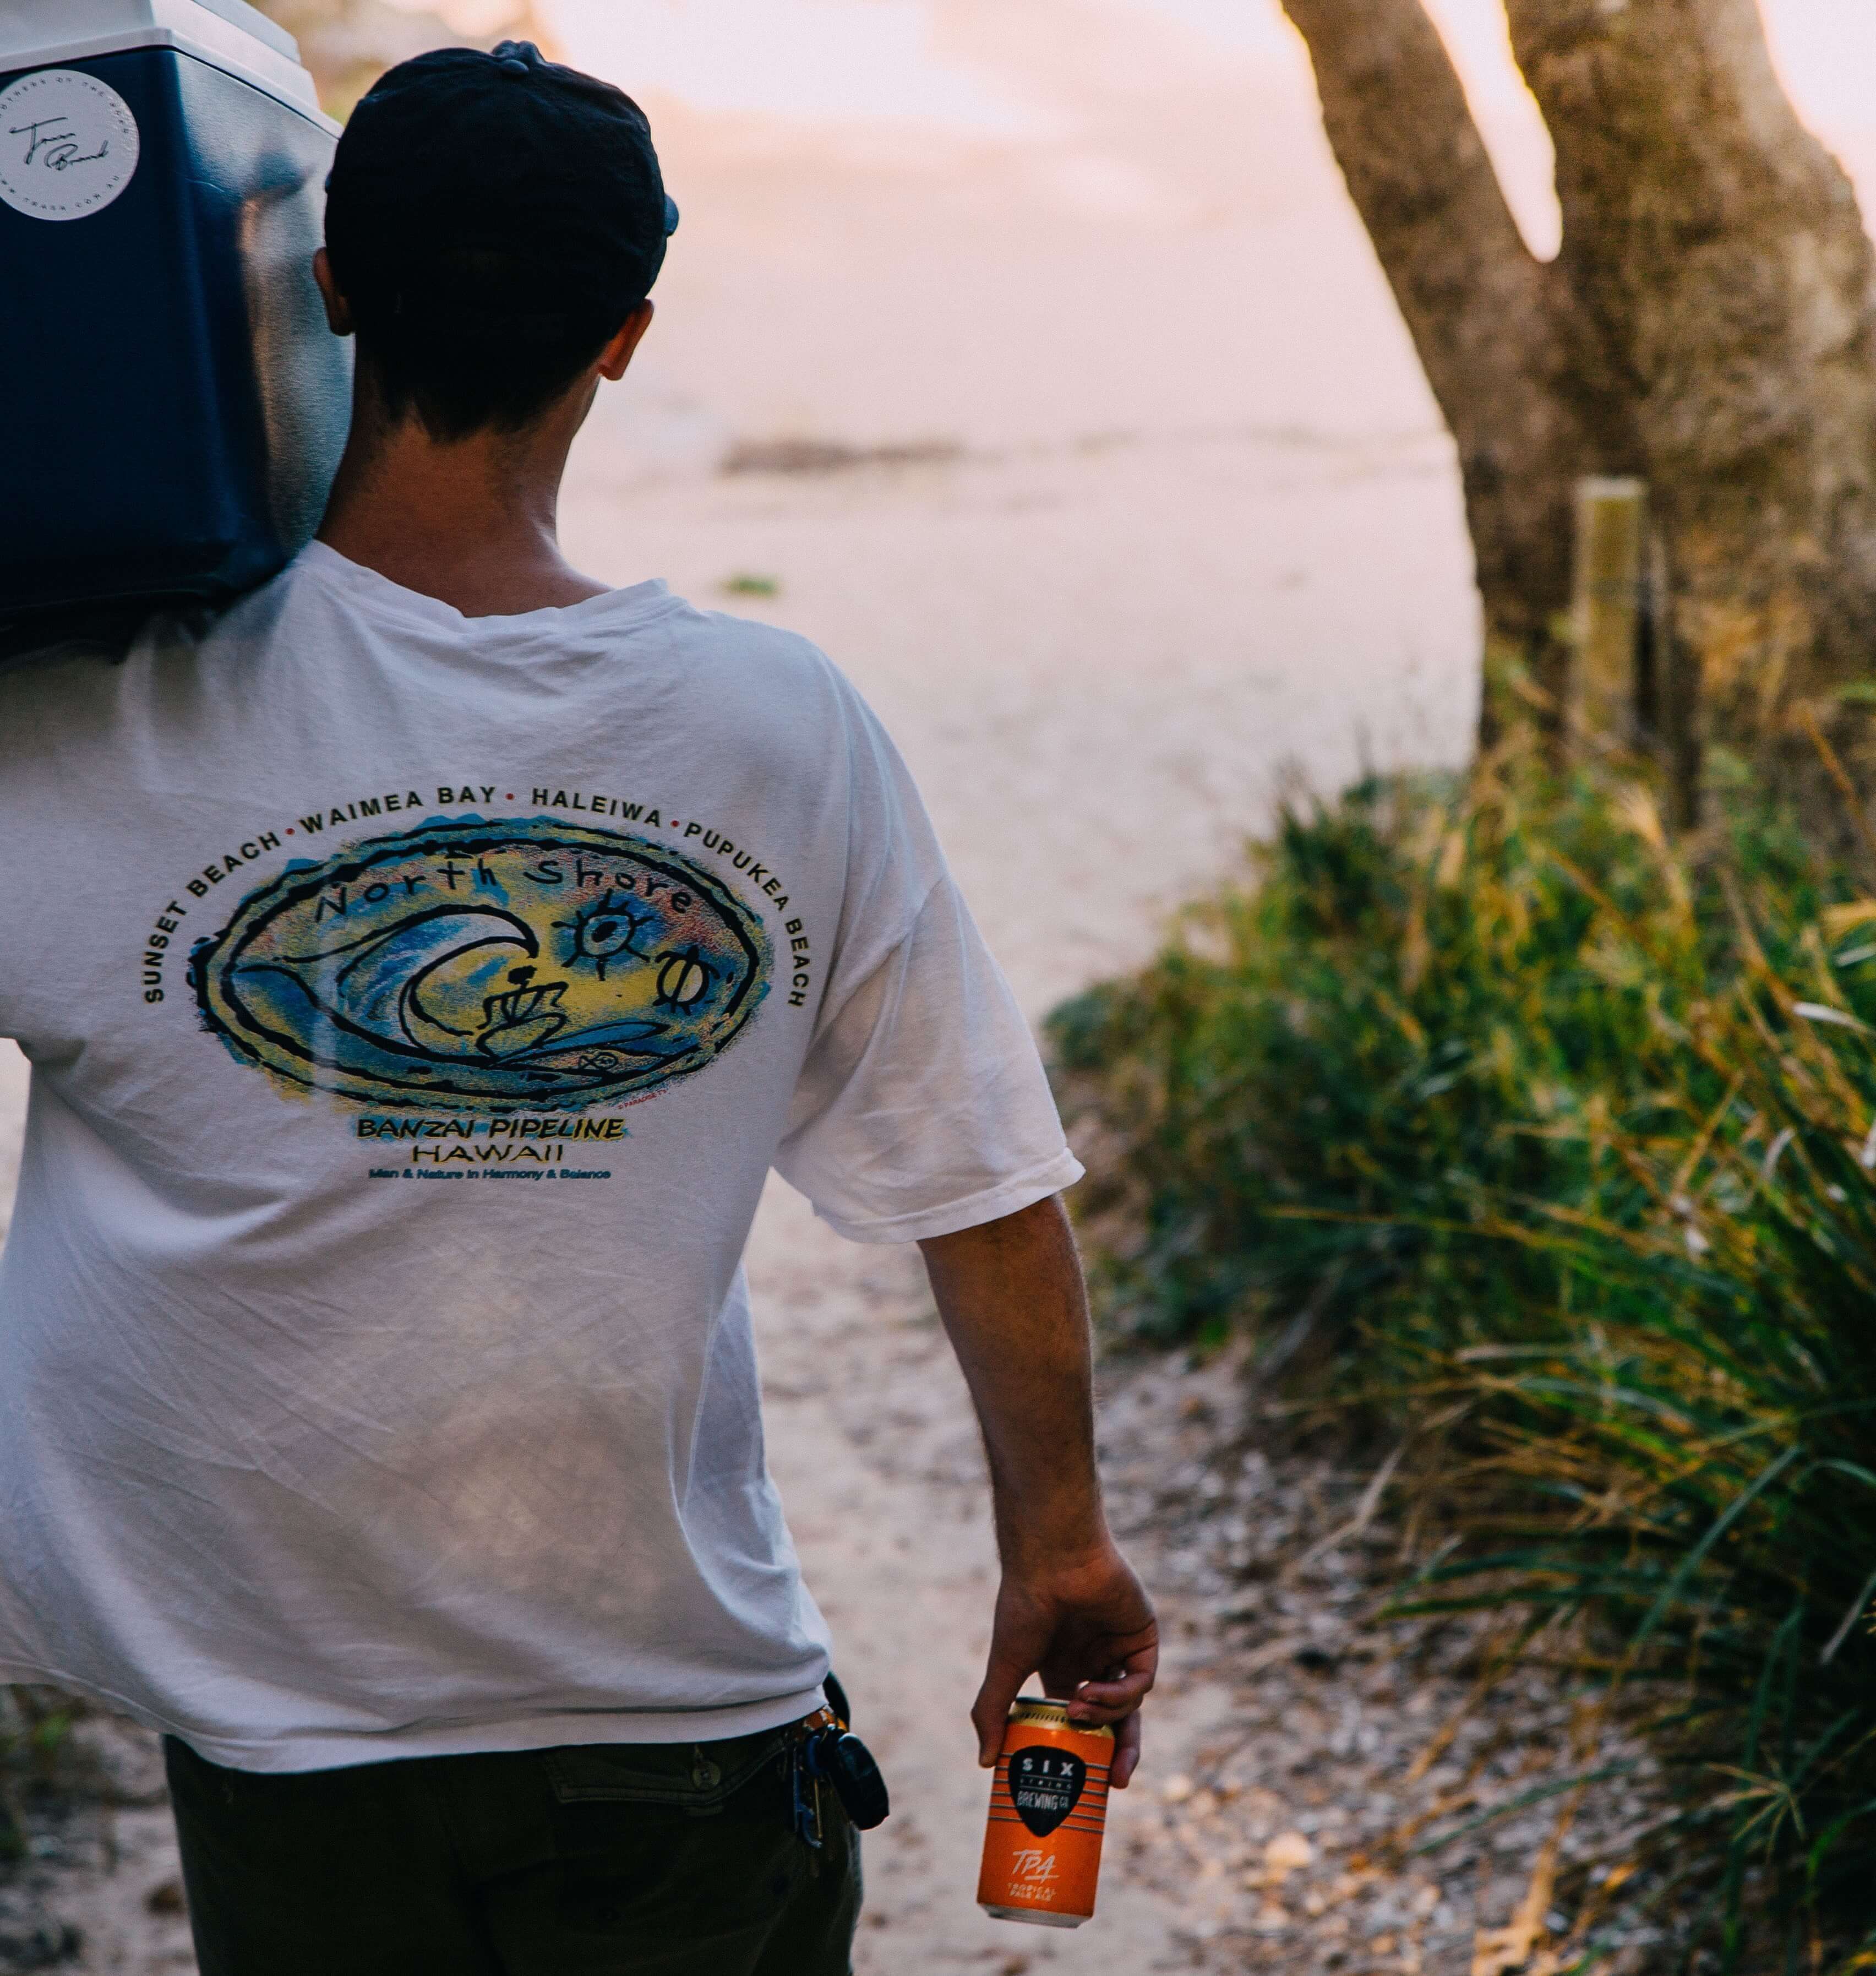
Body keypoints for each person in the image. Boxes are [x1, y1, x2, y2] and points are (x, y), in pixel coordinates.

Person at [0, 41, 1155, 1976]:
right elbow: (977, 1175)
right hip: (681, 1740)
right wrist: (1062, 1548)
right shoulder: (781, 728)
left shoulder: (80, 719)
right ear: (624, 336)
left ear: (332, 280)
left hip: (294, 1754)